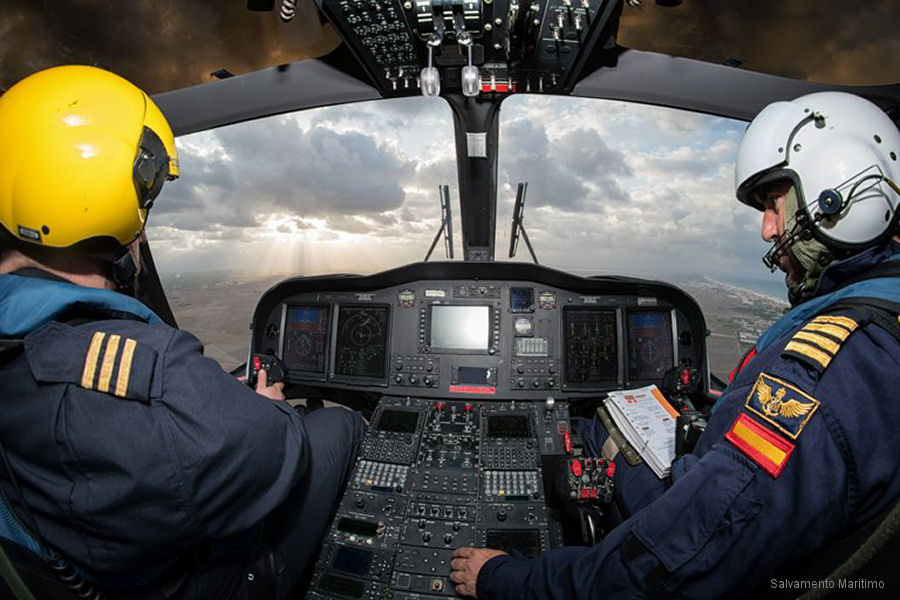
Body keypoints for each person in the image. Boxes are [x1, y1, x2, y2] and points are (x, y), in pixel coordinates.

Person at [450, 91, 900, 598]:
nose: (768, 228)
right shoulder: (881, 327)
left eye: (774, 204)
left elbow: (668, 564)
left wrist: (507, 579)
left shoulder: (819, 377)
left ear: (839, 188)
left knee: (593, 421)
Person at [0, 65, 365, 598]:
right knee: (338, 428)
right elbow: (274, 451)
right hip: (201, 583)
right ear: (121, 206)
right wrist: (269, 406)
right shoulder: (152, 379)